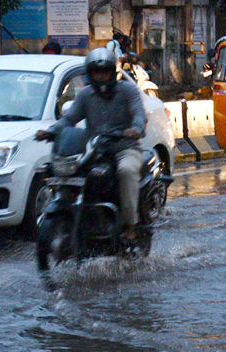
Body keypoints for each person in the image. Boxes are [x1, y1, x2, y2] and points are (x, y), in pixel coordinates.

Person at [35, 43, 147, 240]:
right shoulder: (86, 95)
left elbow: (139, 114)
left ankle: (130, 225)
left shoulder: (128, 90)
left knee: (126, 171)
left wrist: (135, 129)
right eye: (96, 72)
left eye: (104, 72)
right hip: (95, 149)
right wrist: (50, 131)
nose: (101, 77)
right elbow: (69, 119)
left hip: (125, 148)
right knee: (74, 172)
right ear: (90, 74)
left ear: (112, 72)